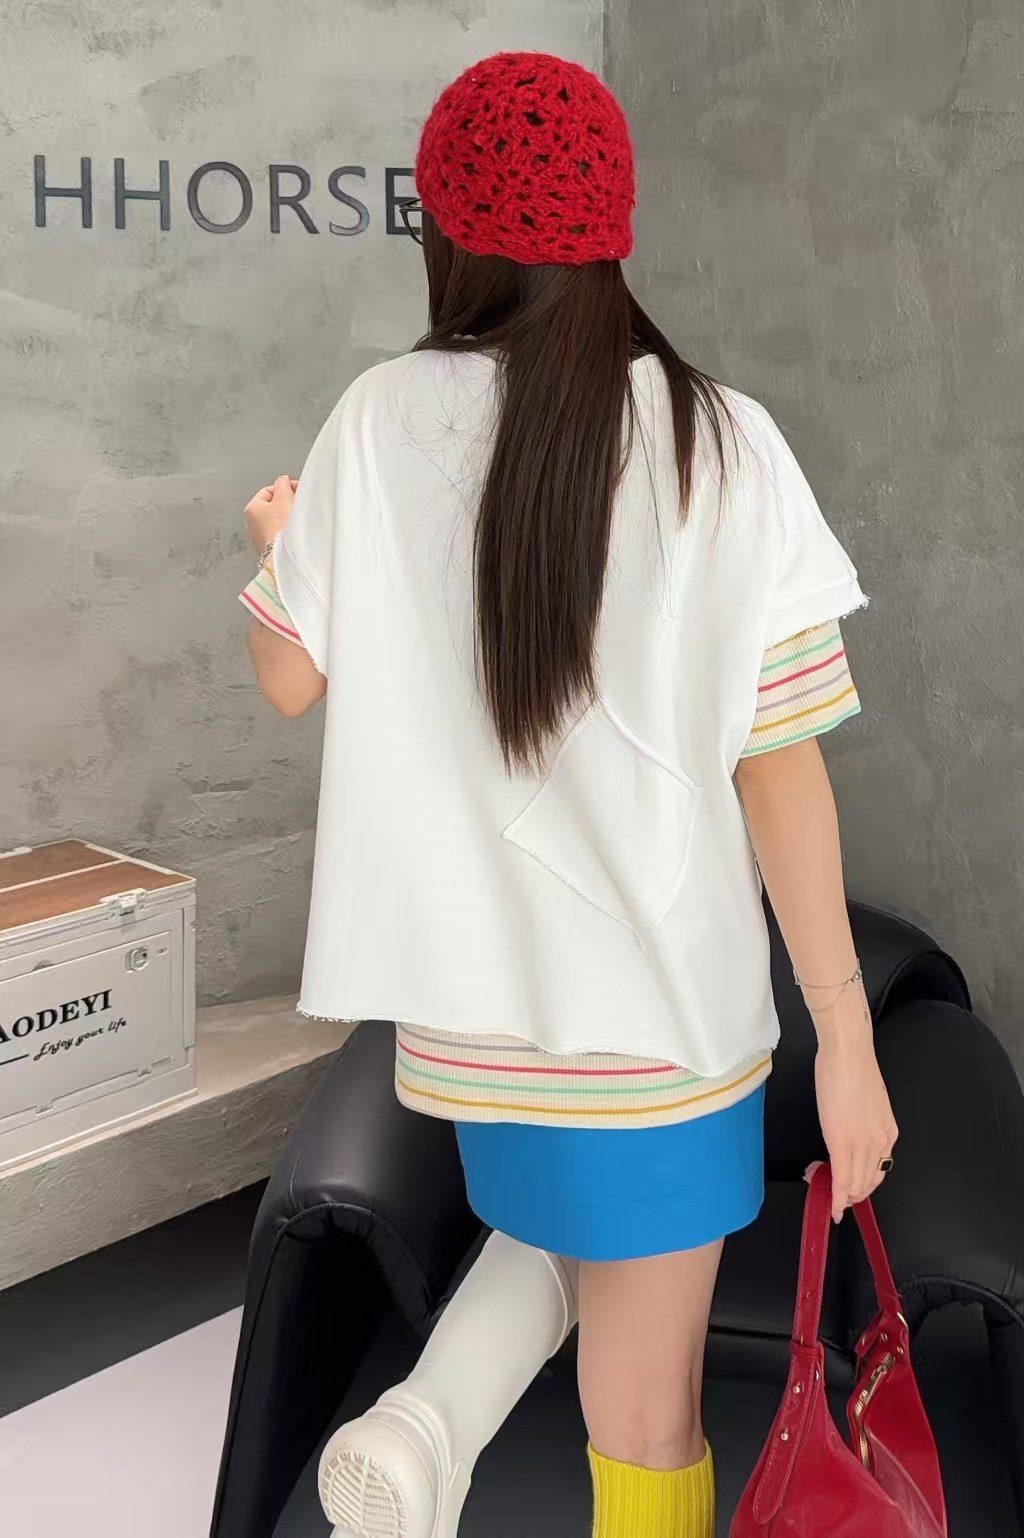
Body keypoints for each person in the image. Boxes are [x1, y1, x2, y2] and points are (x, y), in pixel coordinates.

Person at [239, 50, 898, 1538]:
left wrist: (283, 540)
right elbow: (779, 762)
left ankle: (430, 1428)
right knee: (646, 1414)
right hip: (667, 1031)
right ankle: (434, 1428)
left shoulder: (375, 421)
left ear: (445, 232)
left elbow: (285, 677)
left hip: (481, 1038)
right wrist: (845, 1036)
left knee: (564, 1242)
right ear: (615, 224)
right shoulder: (721, 441)